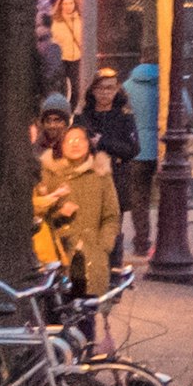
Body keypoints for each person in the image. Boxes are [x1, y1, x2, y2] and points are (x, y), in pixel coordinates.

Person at [33, 120, 118, 295]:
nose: (75, 144)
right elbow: (37, 212)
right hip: (58, 253)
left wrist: (103, 246)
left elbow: (111, 216)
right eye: (69, 140)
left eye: (80, 139)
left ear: (89, 144)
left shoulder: (100, 175)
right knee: (57, 311)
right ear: (60, 145)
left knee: (86, 311)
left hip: (91, 254)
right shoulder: (49, 173)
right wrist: (58, 214)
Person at [76, 67, 145, 258]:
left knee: (112, 229)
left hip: (116, 181)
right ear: (93, 91)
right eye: (101, 88)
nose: (106, 93)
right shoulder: (83, 118)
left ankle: (113, 269)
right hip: (88, 182)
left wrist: (103, 143)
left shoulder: (124, 118)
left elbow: (132, 149)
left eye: (111, 88)